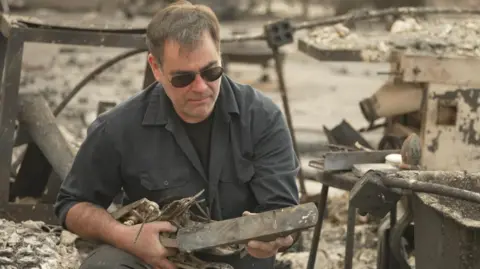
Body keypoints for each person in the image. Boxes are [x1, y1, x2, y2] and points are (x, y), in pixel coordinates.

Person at [54, 1, 300, 269]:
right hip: (157, 262)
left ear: (220, 55)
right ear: (156, 68)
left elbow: (286, 213)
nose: (200, 87)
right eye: (183, 78)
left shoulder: (262, 117)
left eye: (211, 71)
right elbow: (73, 204)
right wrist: (124, 236)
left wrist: (277, 238)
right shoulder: (118, 127)